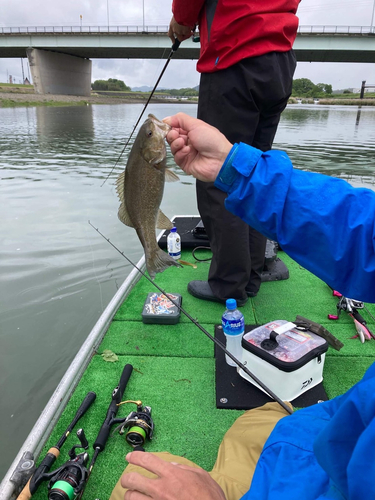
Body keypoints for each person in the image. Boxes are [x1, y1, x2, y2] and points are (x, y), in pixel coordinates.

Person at [109, 113, 375, 500]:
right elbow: (362, 231)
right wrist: (235, 168)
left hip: (321, 476)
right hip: (337, 432)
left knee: (131, 483)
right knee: (263, 416)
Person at [168, 0, 300, 307]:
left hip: (234, 58)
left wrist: (182, 19)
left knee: (219, 175)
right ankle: (252, 274)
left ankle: (229, 284)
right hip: (280, 62)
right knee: (253, 170)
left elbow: (187, 8)